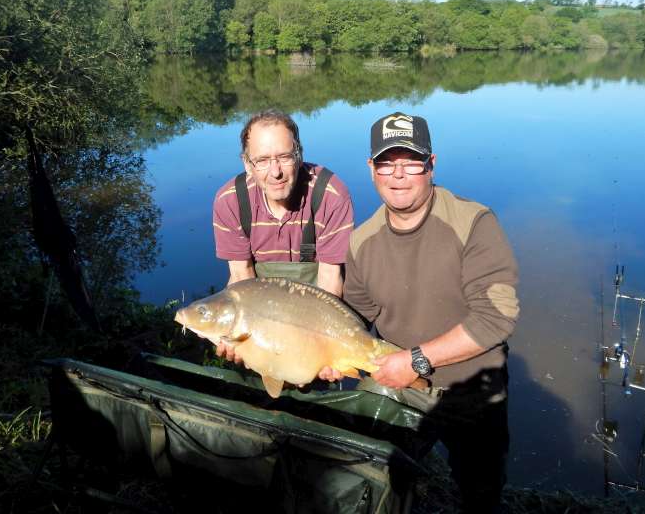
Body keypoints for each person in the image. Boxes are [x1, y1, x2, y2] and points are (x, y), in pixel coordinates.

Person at [321, 112, 519, 513]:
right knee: (376, 480)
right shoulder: (361, 242)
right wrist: (327, 354)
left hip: (470, 389)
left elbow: (497, 317)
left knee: (480, 494)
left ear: (431, 163)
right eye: (386, 162)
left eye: (410, 161)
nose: (398, 175)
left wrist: (417, 359)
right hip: (396, 384)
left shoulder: (473, 223)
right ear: (371, 169)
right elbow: (354, 319)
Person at [212, 108, 353, 295]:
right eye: (262, 160)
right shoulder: (231, 201)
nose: (275, 172)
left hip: (317, 304)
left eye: (284, 157)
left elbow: (330, 278)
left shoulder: (330, 196)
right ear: (247, 164)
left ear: (299, 156)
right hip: (259, 301)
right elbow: (241, 275)